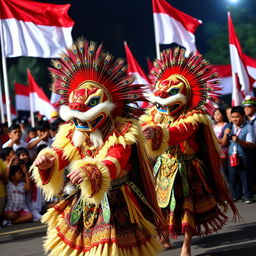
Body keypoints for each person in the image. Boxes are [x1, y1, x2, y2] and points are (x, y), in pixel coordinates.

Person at [30, 39, 165, 256]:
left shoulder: (123, 131)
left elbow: (115, 160)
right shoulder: (73, 132)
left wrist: (90, 170)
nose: (80, 123)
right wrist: (49, 160)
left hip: (117, 199)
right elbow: (63, 153)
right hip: (83, 200)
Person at [140, 47, 239, 256]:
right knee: (161, 206)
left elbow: (178, 132)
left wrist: (157, 130)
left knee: (188, 208)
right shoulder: (156, 114)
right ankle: (164, 236)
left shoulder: (194, 117)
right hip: (163, 168)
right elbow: (145, 124)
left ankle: (186, 244)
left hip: (188, 169)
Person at [223, 106, 256, 203]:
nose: (234, 119)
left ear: (243, 116)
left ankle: (248, 196)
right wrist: (225, 134)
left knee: (245, 176)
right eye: (232, 117)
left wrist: (239, 141)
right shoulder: (229, 126)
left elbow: (252, 144)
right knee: (233, 177)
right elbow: (224, 143)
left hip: (244, 156)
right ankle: (235, 195)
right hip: (232, 156)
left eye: (237, 117)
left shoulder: (248, 127)